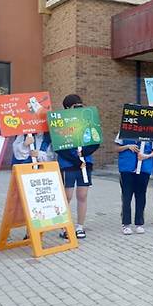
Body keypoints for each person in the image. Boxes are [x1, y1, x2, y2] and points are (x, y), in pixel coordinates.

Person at [56, 94, 99, 239]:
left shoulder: (88, 119)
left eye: (80, 104)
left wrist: (84, 154)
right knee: (67, 196)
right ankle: (64, 227)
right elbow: (59, 147)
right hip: (68, 165)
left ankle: (80, 226)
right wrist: (76, 160)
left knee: (82, 195)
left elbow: (95, 141)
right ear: (67, 107)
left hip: (85, 164)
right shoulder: (60, 121)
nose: (79, 107)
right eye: (75, 105)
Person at [115, 133, 153, 235]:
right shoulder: (125, 130)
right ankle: (126, 224)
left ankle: (139, 223)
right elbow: (116, 148)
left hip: (144, 168)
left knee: (141, 196)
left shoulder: (152, 131)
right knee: (126, 196)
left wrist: (146, 156)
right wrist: (127, 146)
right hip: (127, 168)